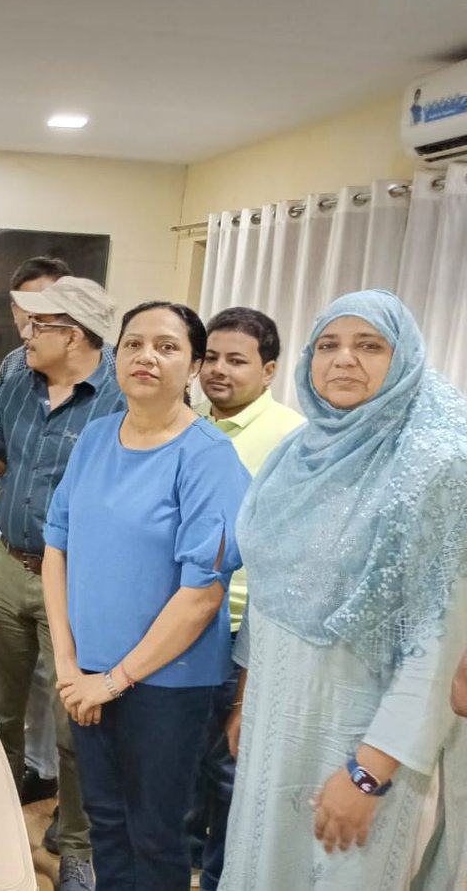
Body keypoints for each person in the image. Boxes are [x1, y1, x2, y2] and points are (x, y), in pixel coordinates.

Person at [219, 290, 467, 891]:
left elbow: (439, 641)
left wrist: (370, 771)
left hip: (361, 737)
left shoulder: (436, 466)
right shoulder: (294, 455)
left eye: (369, 345)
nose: (344, 359)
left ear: (404, 358)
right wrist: (246, 697)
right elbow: (271, 585)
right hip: (274, 714)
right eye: (328, 344)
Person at [43, 300, 249, 891]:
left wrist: (111, 682)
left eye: (166, 346)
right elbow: (57, 547)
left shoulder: (207, 457)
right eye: (133, 343)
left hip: (167, 684)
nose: (146, 357)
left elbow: (201, 597)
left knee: (156, 835)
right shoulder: (97, 436)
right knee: (105, 822)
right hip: (87, 671)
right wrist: (68, 665)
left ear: (194, 366)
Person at [0, 276, 124, 891]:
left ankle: (77, 846)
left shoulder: (121, 397)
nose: (26, 333)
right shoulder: (18, 384)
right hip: (5, 564)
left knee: (75, 724)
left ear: (74, 335)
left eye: (40, 325)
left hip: (77, 584)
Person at [187, 306, 304, 890]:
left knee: (231, 767)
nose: (219, 370)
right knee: (187, 758)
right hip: (189, 621)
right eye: (211, 357)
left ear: (270, 370)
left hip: (247, 631)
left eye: (237, 360)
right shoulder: (191, 425)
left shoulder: (291, 438)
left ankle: (221, 877)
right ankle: (183, 866)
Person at [1, 256, 77, 813]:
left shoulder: (112, 378)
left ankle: (72, 820)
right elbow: (3, 452)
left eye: (45, 308)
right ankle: (24, 775)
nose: (31, 320)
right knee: (9, 686)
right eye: (23, 308)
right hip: (10, 553)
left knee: (66, 688)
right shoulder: (13, 368)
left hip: (72, 565)